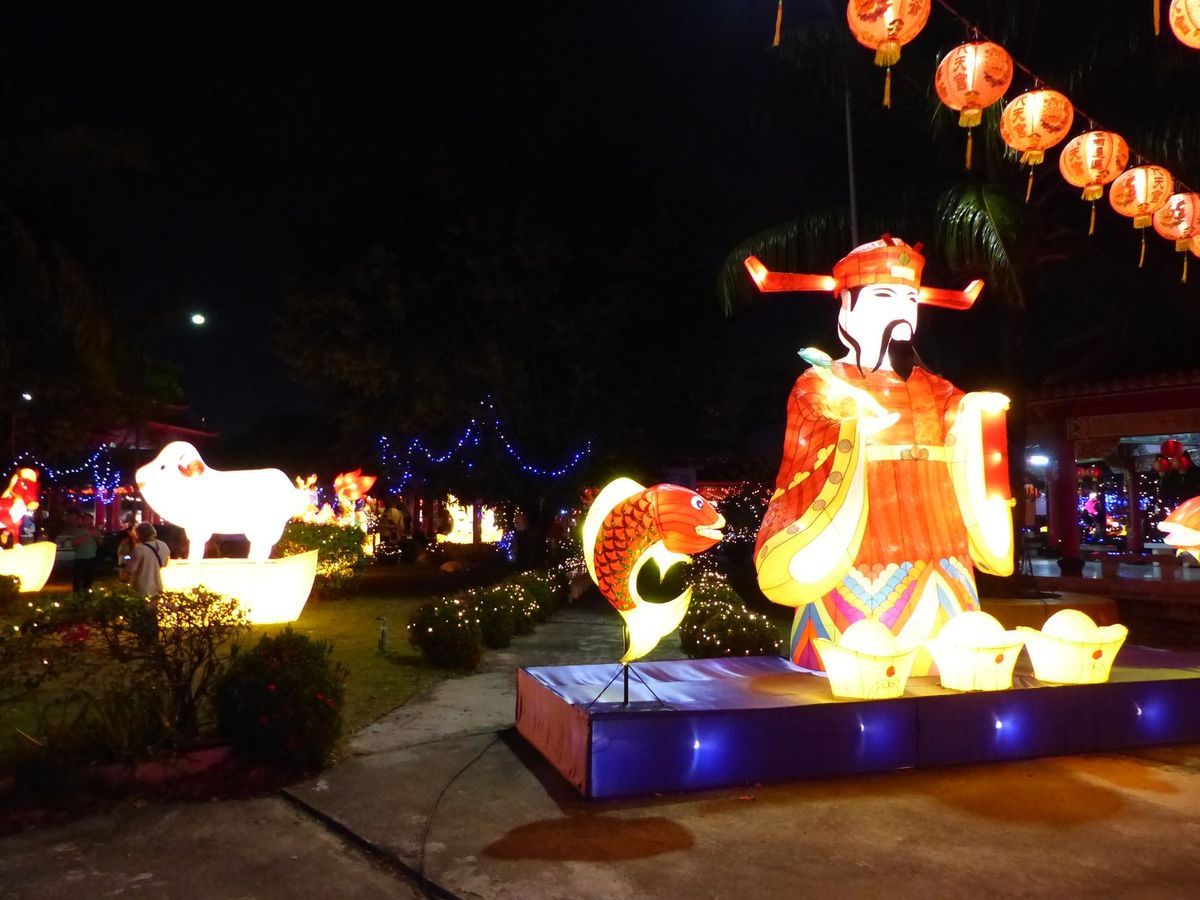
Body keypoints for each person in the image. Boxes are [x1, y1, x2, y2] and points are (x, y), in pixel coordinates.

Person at [747, 236, 1013, 673]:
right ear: (846, 309)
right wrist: (849, 420)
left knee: (951, 649)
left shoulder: (935, 387)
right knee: (853, 655)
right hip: (859, 532)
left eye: (909, 300)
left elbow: (962, 417)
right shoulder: (821, 381)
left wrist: (977, 410)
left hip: (939, 525)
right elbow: (813, 428)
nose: (901, 311)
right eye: (884, 297)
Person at [128, 522, 170, 596]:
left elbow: (130, 568)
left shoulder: (139, 549)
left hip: (141, 589)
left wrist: (126, 559)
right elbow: (165, 564)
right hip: (157, 587)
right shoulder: (164, 545)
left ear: (139, 534)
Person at [69, 512, 100, 593]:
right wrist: (88, 535)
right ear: (83, 520)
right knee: (78, 576)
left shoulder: (95, 530)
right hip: (81, 557)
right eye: (86, 519)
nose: (88, 521)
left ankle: (87, 591)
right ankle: (77, 593)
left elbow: (100, 543)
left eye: (90, 519)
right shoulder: (78, 530)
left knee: (89, 576)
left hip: (92, 557)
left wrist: (97, 537)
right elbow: (74, 543)